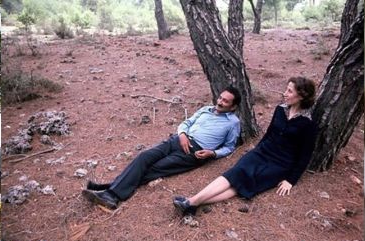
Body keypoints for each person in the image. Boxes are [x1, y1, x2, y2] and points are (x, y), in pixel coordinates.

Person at [174, 77, 318, 215]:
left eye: (289, 91)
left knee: (244, 183)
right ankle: (193, 202)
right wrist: (257, 151)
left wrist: (291, 180)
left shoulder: (308, 123)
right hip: (262, 152)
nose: (284, 93)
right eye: (286, 89)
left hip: (280, 164)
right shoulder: (280, 109)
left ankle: (192, 203)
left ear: (301, 96)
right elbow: (269, 134)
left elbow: (305, 155)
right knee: (236, 172)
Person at [83, 87, 241, 209]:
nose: (220, 102)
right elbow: (186, 123)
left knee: (156, 168)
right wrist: (183, 134)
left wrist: (212, 153)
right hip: (178, 139)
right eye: (220, 98)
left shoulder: (233, 123)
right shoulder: (205, 109)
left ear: (233, 107)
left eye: (226, 101)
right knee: (144, 157)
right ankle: (111, 187)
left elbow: (229, 147)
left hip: (194, 152)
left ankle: (111, 192)